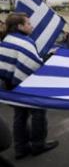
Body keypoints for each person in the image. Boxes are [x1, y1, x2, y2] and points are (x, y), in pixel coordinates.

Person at [0, 13, 58, 160]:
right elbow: (33, 65)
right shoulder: (25, 42)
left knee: (20, 116)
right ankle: (38, 145)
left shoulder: (6, 40)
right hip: (28, 85)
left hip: (10, 85)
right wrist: (49, 58)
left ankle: (20, 148)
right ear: (20, 26)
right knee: (38, 114)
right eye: (28, 23)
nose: (31, 26)